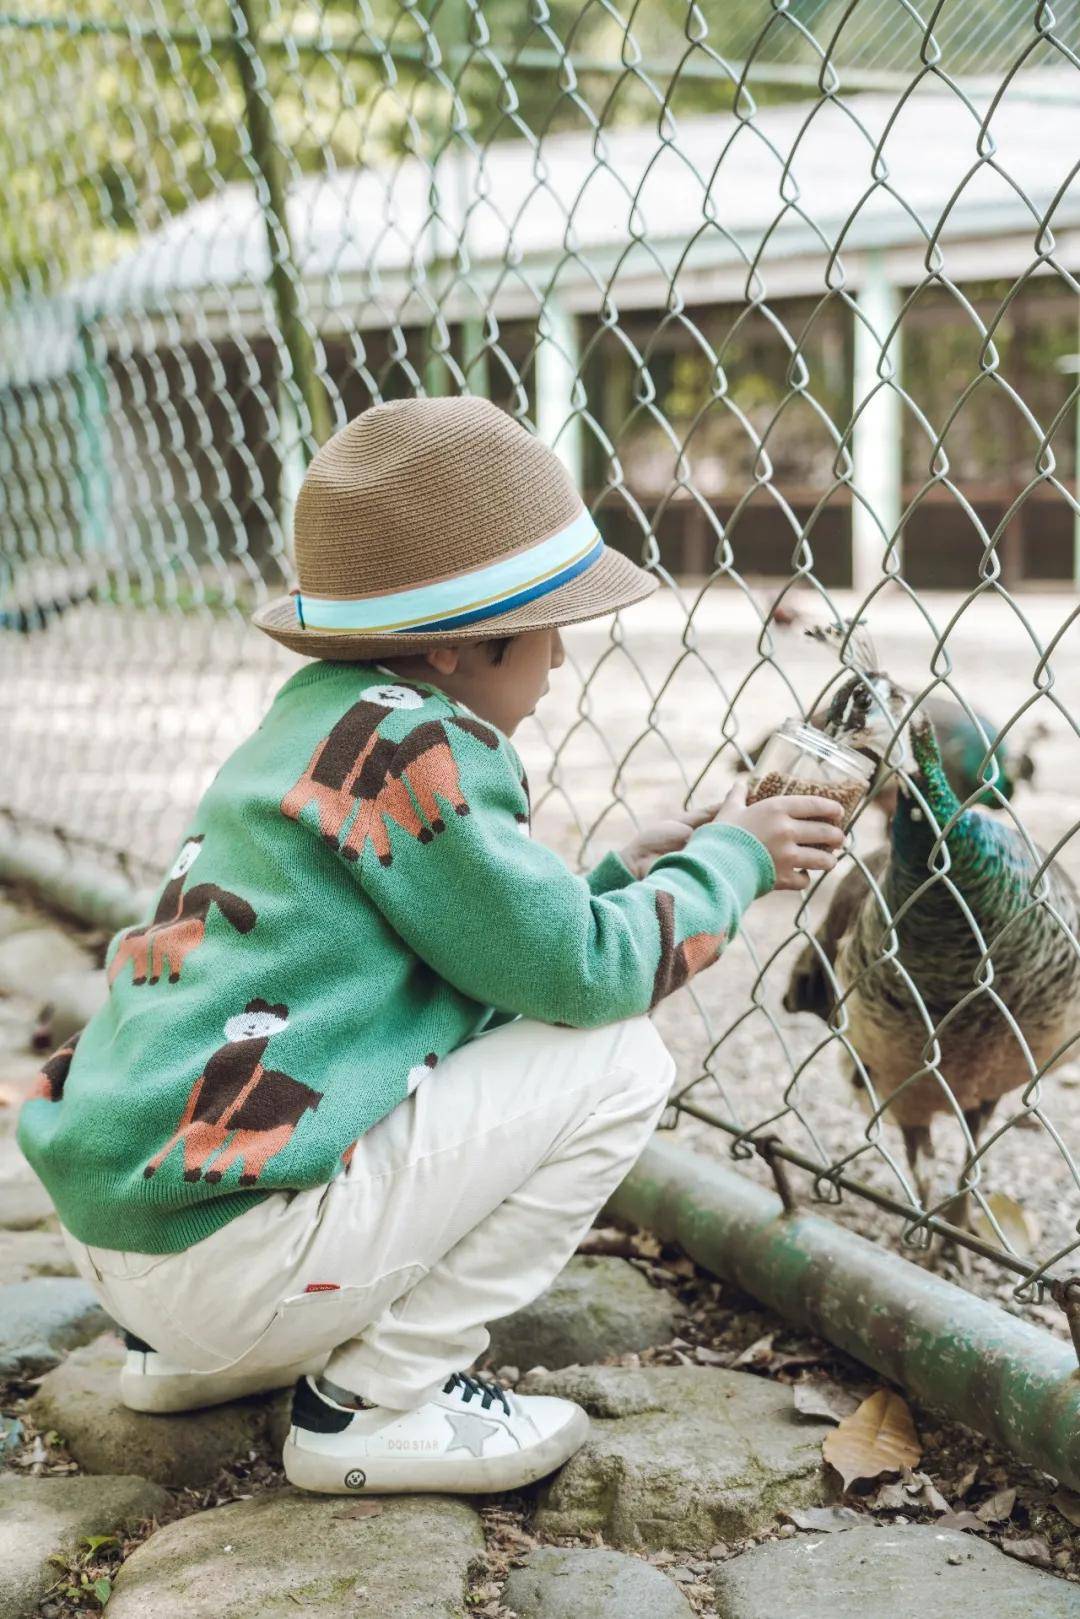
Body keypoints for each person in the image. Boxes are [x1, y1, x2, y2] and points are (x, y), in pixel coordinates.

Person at [17, 397, 843, 1496]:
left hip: (136, 1239)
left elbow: (468, 952)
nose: (560, 653)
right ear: (459, 643)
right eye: (552, 619)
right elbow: (585, 977)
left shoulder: (315, 722)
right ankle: (374, 1401)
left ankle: (188, 1356)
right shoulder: (419, 747)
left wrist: (604, 881)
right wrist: (730, 859)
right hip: (230, 1258)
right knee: (623, 1060)